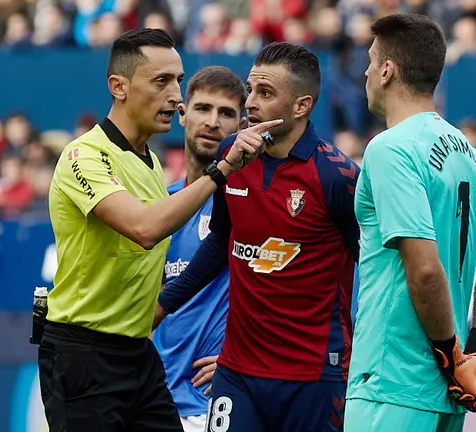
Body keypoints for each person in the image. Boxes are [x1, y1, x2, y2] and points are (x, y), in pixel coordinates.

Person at [38, 29, 281, 432]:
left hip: (137, 354)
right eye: (161, 81)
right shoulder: (85, 156)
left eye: (178, 82)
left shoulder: (150, 164)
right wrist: (222, 170)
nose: (176, 96)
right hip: (85, 351)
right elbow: (144, 229)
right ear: (118, 86)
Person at [155, 42, 361, 431]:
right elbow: (219, 242)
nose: (251, 102)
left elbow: (373, 265)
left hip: (313, 374)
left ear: (300, 106)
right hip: (237, 374)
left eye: (265, 94)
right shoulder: (233, 153)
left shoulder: (337, 176)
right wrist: (162, 307)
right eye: (251, 90)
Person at [345, 14, 476, 432]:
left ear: (387, 70)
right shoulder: (469, 154)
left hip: (391, 382)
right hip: (447, 398)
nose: (366, 71)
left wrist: (451, 359)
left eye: (371, 61)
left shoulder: (390, 149)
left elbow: (424, 269)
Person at [151, 65, 247, 432]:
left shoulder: (247, 204)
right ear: (181, 114)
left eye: (226, 114)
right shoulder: (160, 206)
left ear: (240, 128)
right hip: (156, 397)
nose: (213, 122)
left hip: (215, 402)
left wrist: (241, 356)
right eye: (203, 108)